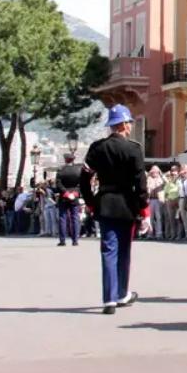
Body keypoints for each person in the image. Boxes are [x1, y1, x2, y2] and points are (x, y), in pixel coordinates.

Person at [80, 104, 150, 315]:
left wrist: (91, 202)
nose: (131, 126)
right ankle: (121, 293)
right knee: (124, 251)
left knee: (108, 251)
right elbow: (141, 183)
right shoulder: (134, 148)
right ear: (124, 124)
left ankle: (109, 299)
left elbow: (84, 179)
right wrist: (144, 210)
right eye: (129, 122)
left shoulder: (97, 148)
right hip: (127, 204)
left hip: (105, 203)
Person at [56, 154, 82, 247]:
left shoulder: (61, 170)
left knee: (62, 218)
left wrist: (66, 193)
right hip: (74, 196)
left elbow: (58, 184)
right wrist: (75, 193)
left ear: (65, 160)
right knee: (75, 218)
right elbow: (81, 184)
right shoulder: (78, 170)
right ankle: (75, 240)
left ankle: (62, 240)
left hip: (64, 196)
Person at [147, 166, 166, 240]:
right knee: (150, 218)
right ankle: (150, 234)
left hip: (159, 200)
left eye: (156, 171)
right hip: (150, 199)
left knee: (158, 217)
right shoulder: (149, 178)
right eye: (153, 171)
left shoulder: (161, 179)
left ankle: (159, 234)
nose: (154, 172)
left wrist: (161, 174)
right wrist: (149, 174)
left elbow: (167, 182)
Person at [164, 164, 181, 241]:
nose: (173, 175)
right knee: (171, 219)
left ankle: (179, 234)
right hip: (170, 202)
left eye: (175, 174)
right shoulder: (169, 182)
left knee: (178, 219)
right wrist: (167, 200)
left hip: (178, 201)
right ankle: (173, 234)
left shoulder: (180, 181)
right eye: (172, 174)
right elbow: (166, 193)